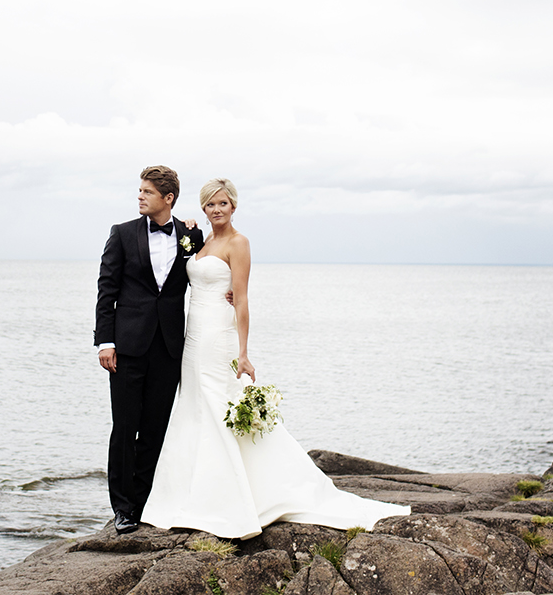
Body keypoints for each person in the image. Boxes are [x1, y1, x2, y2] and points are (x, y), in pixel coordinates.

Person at [140, 178, 409, 539]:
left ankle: (230, 500)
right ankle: (189, 494)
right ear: (203, 209)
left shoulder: (239, 243)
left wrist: (244, 352)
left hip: (219, 336)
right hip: (193, 336)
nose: (216, 210)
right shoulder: (201, 242)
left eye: (222, 203)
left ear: (233, 206)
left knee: (218, 405)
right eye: (209, 205)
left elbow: (243, 298)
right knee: (194, 408)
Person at [95, 165, 202, 533]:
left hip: (170, 347)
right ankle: (122, 509)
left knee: (156, 429)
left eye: (146, 192)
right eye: (139, 190)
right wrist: (105, 342)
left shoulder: (191, 235)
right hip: (126, 347)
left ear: (167, 198)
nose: (139, 196)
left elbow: (208, 270)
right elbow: (106, 290)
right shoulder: (122, 234)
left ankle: (143, 503)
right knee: (124, 428)